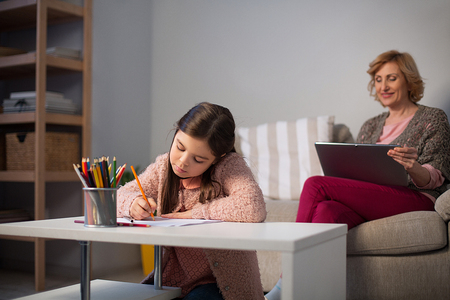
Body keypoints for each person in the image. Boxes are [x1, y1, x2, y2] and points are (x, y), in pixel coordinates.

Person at [264, 50, 450, 300]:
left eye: (391, 78)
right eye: (378, 79)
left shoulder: (432, 118)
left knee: (315, 185)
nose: (383, 86)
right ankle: (317, 294)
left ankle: (284, 284)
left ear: (408, 80)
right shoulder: (370, 125)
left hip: (417, 198)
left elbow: (437, 177)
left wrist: (412, 167)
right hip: (373, 200)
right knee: (326, 211)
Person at [117, 102, 267, 300]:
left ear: (217, 158)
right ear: (177, 131)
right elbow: (120, 195)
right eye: (179, 147)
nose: (182, 162)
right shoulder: (163, 167)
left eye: (198, 159)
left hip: (218, 283)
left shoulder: (229, 165)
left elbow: (253, 206)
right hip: (172, 278)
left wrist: (195, 214)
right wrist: (133, 204)